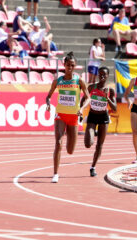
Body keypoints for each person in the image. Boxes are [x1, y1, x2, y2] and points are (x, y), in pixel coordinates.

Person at [45, 52, 90, 183]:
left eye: (72, 65)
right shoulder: (58, 81)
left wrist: (82, 108)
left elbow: (88, 98)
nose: (70, 67)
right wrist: (48, 103)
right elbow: (48, 96)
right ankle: (55, 173)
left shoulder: (79, 80)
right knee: (58, 143)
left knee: (70, 150)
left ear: (74, 66)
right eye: (68, 65)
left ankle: (68, 143)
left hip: (73, 118)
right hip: (60, 115)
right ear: (63, 65)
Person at [80, 67, 116, 177]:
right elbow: (83, 99)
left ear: (108, 76)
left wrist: (107, 98)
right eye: (100, 74)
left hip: (104, 118)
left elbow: (114, 108)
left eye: (104, 74)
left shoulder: (110, 90)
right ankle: (93, 132)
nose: (102, 76)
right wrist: (81, 111)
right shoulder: (91, 87)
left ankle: (93, 167)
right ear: (98, 75)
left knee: (99, 145)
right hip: (92, 116)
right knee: (88, 144)